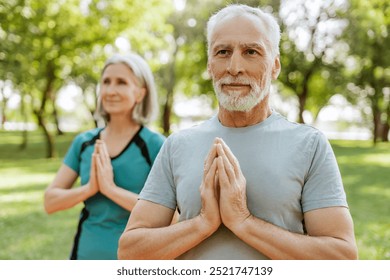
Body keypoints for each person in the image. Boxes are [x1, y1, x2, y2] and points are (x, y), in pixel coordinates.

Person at [118, 4, 358, 260]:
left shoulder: (310, 145)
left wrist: (243, 222)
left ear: (275, 66)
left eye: (251, 52)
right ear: (210, 65)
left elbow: (341, 258)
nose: (234, 67)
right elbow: (130, 251)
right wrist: (202, 224)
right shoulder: (177, 145)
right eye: (222, 52)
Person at [44, 53, 165, 260]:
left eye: (121, 82)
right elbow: (50, 202)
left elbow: (170, 216)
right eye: (106, 82)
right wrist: (89, 189)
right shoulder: (84, 143)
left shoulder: (156, 145)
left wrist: (110, 189)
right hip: (84, 255)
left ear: (140, 93)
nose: (110, 90)